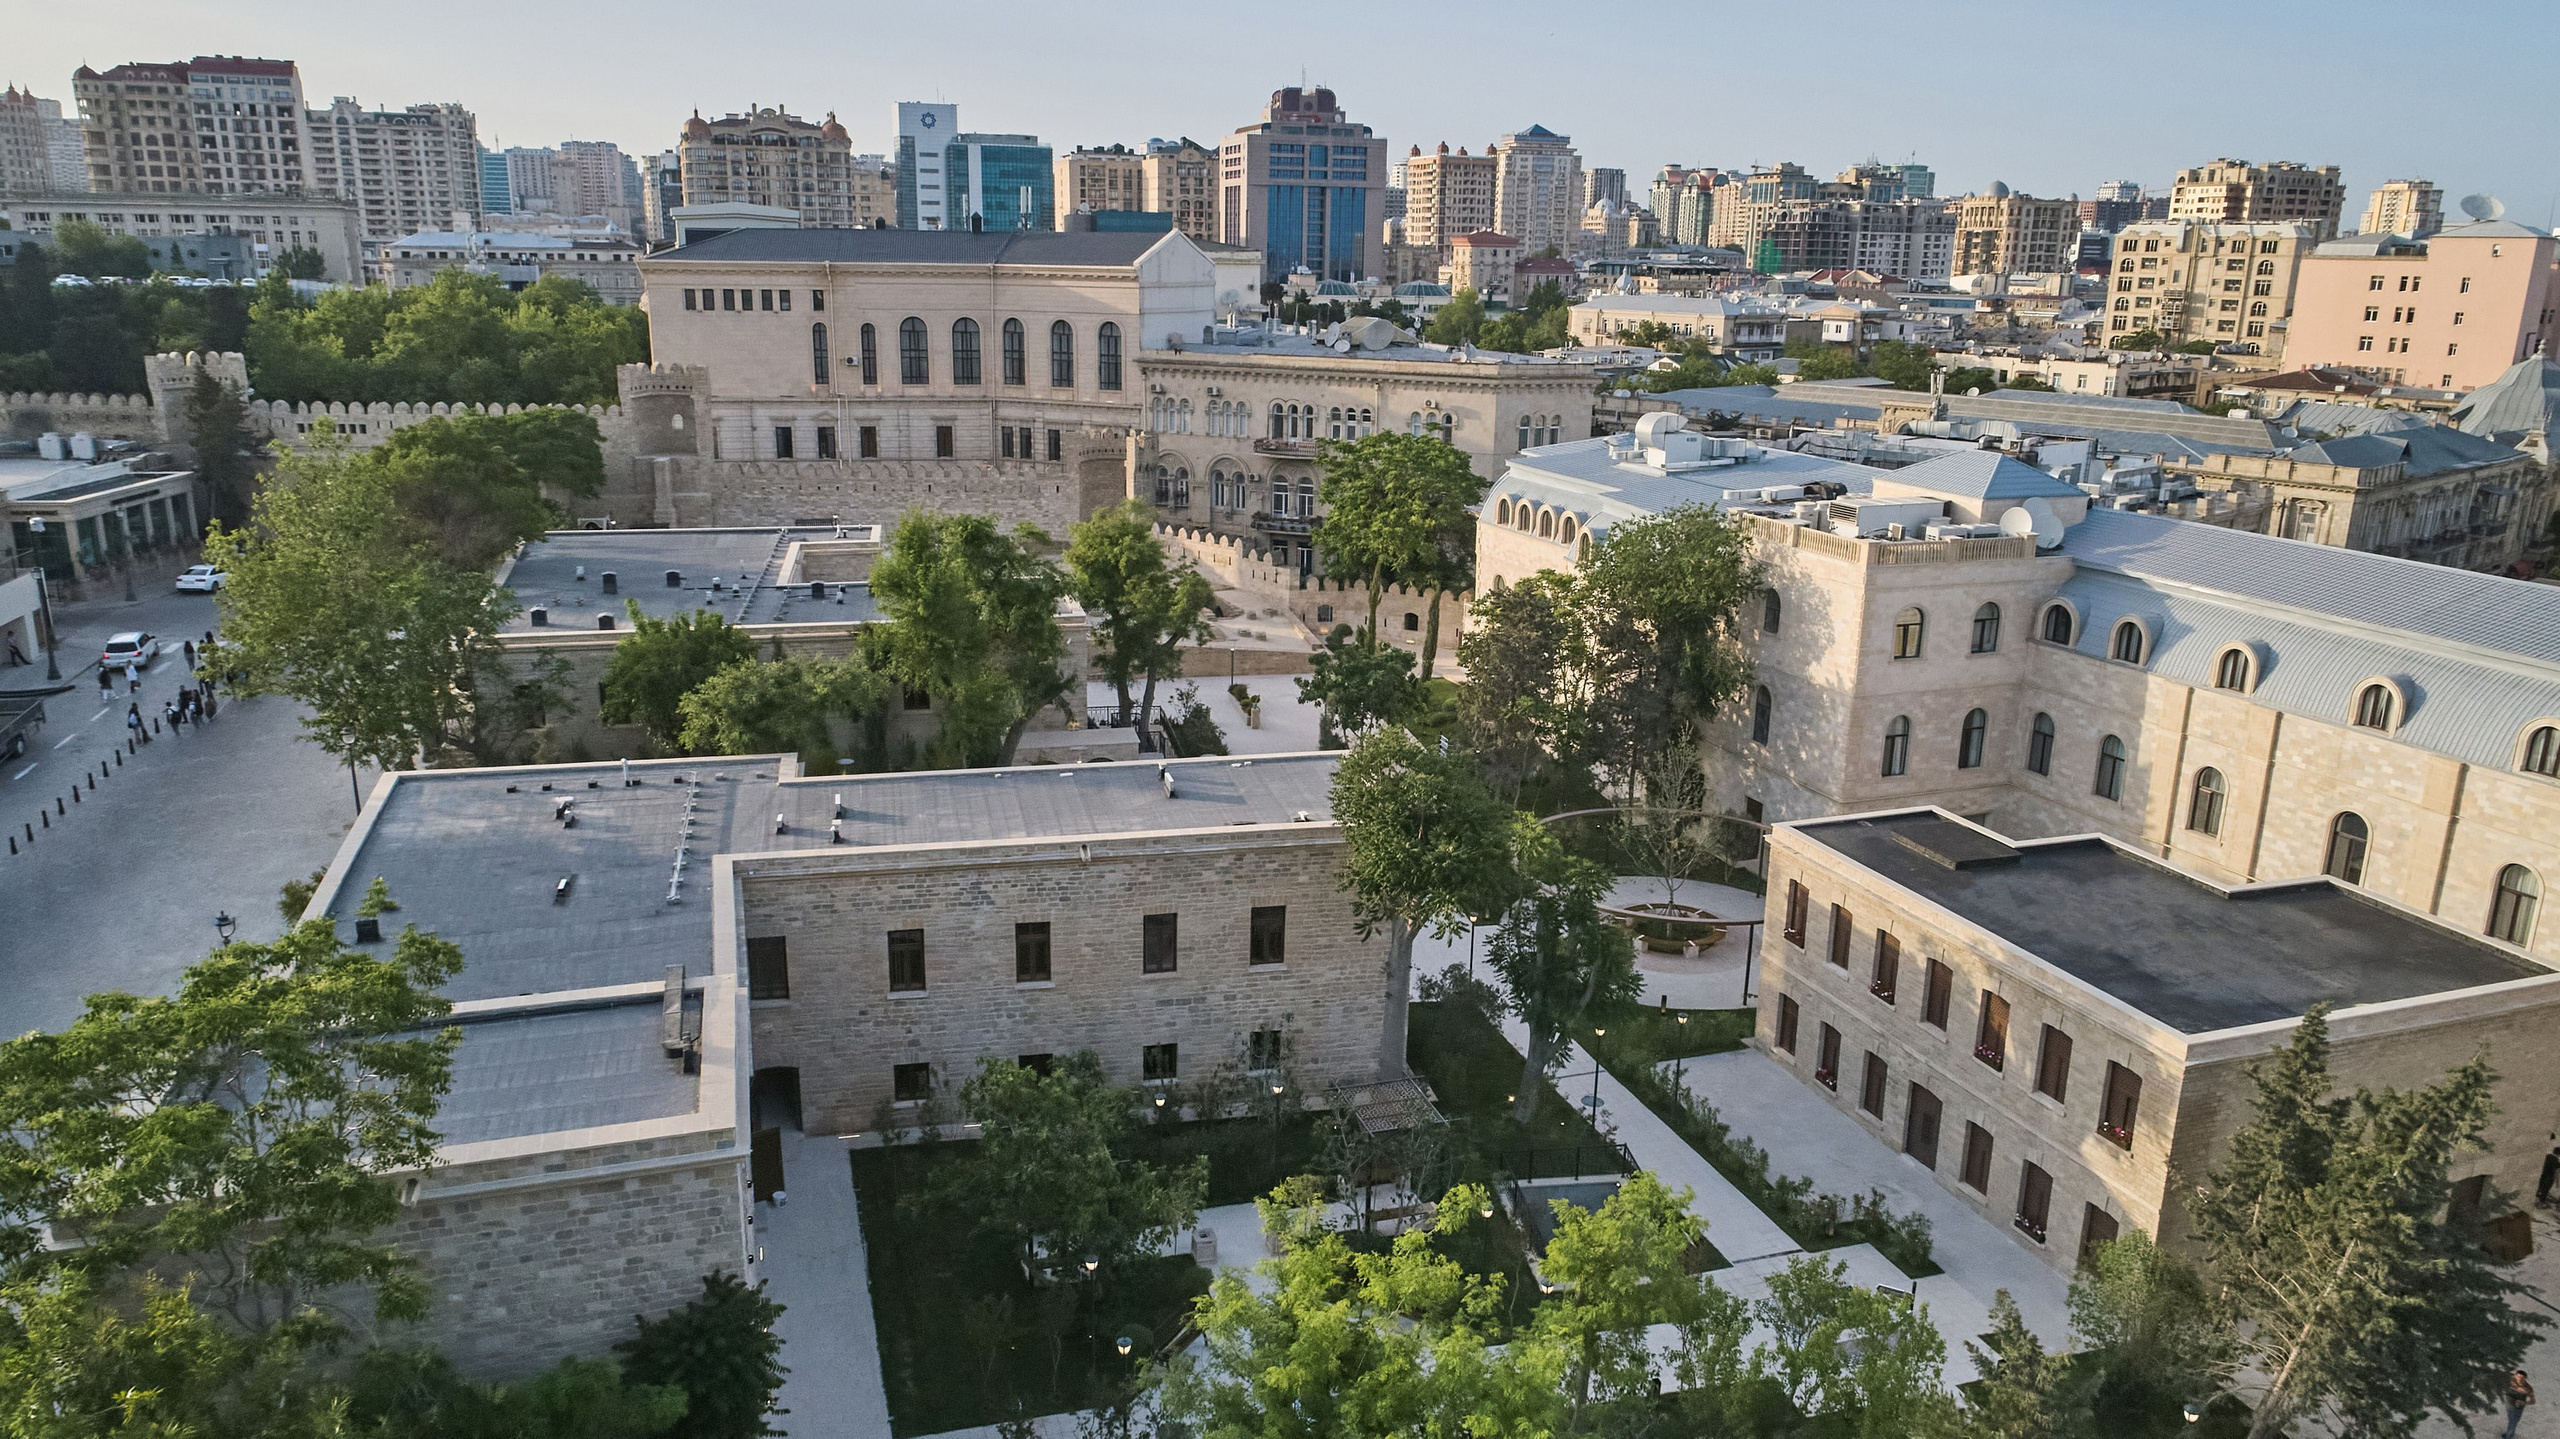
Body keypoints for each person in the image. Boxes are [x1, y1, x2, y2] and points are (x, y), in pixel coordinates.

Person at [2506, 1370, 2535, 1439]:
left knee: (2513, 1422)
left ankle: (2509, 1436)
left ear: (2525, 1378)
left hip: (2518, 1408)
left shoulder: (2528, 1388)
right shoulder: (2511, 1380)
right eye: (2518, 1377)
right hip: (2509, 1404)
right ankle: (2508, 1433)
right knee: (2510, 1420)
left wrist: (2524, 1403)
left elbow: (2533, 1401)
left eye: (2522, 1378)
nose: (2519, 1379)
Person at [2539, 1136, 2559, 1209]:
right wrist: (2557, 1183)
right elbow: (2557, 1172)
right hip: (2550, 1177)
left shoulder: (2547, 1156)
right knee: (2546, 1189)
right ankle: (2541, 1202)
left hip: (2543, 1175)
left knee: (2541, 1186)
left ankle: (2538, 1196)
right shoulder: (2556, 1161)